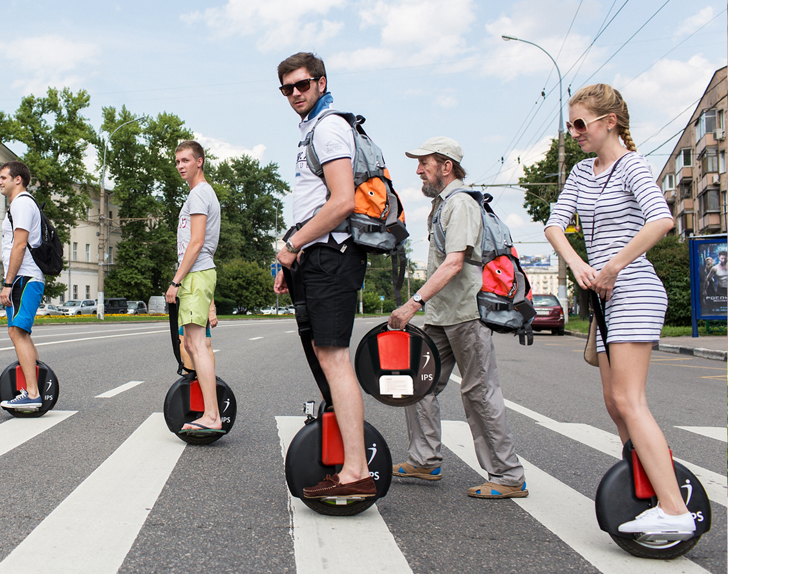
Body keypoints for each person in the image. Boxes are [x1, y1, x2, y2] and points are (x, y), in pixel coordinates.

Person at [544, 83, 693, 536]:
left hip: (634, 289)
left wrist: (612, 266)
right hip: (605, 295)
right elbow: (554, 223)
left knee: (630, 400)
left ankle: (674, 510)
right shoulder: (582, 173)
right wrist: (579, 264)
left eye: (580, 124)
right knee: (613, 403)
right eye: (570, 125)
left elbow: (662, 219)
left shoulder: (632, 166)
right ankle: (643, 483)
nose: (574, 133)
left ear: (609, 122)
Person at [387, 137, 528, 499]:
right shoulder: (442, 205)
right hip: (441, 315)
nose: (419, 170)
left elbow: (454, 263)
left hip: (466, 314)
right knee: (417, 383)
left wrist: (412, 304)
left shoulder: (461, 204)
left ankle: (508, 475)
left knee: (478, 392)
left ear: (446, 166)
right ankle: (424, 459)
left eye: (424, 163)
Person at [273, 52, 374, 499]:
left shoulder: (329, 126)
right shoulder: (309, 130)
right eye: (287, 88)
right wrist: (290, 257)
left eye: (302, 85)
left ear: (320, 82)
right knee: (325, 354)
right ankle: (348, 458)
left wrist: (293, 246)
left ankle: (355, 472)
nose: (295, 93)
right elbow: (314, 206)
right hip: (315, 257)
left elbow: (341, 202)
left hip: (333, 257)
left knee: (334, 358)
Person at [166, 140, 223, 433]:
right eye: (177, 161)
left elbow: (197, 242)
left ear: (199, 161)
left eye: (186, 160)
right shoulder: (197, 195)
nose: (180, 166)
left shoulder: (200, 194)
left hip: (195, 274)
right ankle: (209, 411)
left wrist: (176, 280)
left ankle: (212, 415)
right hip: (197, 274)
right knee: (189, 343)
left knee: (197, 346)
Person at [0, 161, 46, 410]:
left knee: (18, 332)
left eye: (4, 177)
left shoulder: (23, 203)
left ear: (18, 179)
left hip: (25, 278)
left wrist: (8, 283)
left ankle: (33, 393)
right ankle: (35, 386)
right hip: (21, 277)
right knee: (19, 332)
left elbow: (19, 245)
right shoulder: (18, 205)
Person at [179, 301, 218, 370]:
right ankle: (209, 377)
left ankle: (190, 375)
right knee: (205, 342)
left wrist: (211, 310)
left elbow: (210, 291)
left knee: (183, 340)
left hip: (194, 303)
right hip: (200, 304)